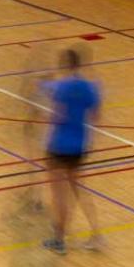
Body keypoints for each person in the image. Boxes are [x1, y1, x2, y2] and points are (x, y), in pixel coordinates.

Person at [40, 47, 104, 254]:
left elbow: (57, 116)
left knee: (59, 195)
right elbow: (96, 117)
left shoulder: (61, 88)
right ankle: (97, 236)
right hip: (80, 146)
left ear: (64, 64)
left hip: (58, 145)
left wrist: (43, 114)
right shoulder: (90, 88)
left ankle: (59, 239)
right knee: (79, 190)